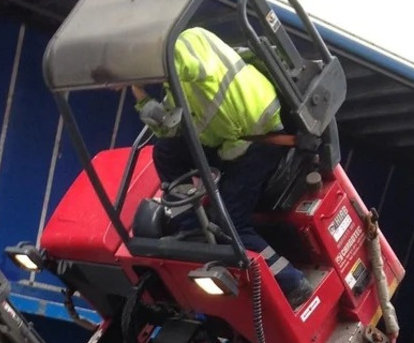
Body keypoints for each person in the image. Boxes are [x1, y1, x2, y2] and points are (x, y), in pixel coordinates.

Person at [133, 26, 313, 310]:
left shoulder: (188, 43)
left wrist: (132, 69)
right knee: (166, 151)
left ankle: (291, 282)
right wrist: (140, 93)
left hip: (262, 139)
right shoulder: (177, 86)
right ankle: (190, 227)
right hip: (233, 145)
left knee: (228, 222)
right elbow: (169, 127)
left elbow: (181, 63)